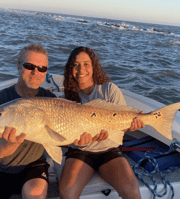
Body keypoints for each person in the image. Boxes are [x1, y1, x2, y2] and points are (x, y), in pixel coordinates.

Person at [0, 43, 56, 199]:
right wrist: (11, 143)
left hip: (33, 167)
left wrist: (81, 140)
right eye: (29, 66)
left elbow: (63, 137)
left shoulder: (51, 101)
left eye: (42, 68)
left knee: (36, 194)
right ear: (19, 66)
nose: (36, 72)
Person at [59, 47, 145, 199]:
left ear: (94, 67)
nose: (81, 69)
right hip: (80, 151)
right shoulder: (65, 97)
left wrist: (132, 125)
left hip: (109, 150)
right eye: (76, 65)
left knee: (132, 192)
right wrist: (75, 142)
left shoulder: (109, 90)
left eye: (86, 64)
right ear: (70, 68)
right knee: (67, 192)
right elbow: (63, 135)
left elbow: (122, 124)